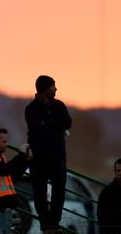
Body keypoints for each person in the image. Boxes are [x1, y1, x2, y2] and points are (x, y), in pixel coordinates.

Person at [24, 75, 72, 233]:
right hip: (38, 159)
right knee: (40, 194)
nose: (56, 89)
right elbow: (37, 128)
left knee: (59, 192)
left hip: (58, 158)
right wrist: (54, 126)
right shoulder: (31, 108)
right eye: (53, 86)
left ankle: (54, 223)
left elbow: (67, 123)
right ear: (45, 88)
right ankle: (46, 225)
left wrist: (46, 124)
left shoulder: (59, 105)